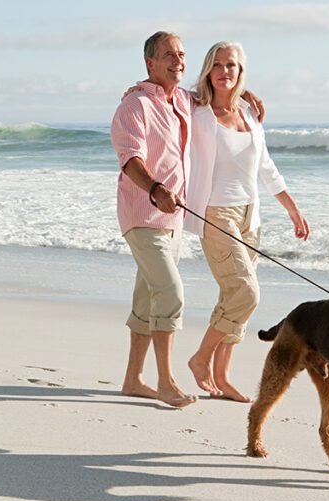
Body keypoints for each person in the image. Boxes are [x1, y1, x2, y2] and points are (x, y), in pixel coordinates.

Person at [185, 42, 310, 403]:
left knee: (232, 296)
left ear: (242, 72)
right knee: (247, 293)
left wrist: (291, 207)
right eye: (218, 65)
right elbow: (166, 93)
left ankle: (222, 378)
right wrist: (137, 88)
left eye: (233, 66)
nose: (225, 71)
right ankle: (200, 358)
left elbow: (265, 166)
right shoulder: (197, 111)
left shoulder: (250, 114)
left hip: (249, 214)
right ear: (208, 69)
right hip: (215, 211)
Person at [110, 31, 197, 408]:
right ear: (150, 62)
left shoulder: (182, 100)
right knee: (171, 294)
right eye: (168, 55)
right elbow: (130, 159)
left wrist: (245, 94)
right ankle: (166, 381)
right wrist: (156, 189)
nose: (178, 60)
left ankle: (132, 380)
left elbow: (215, 97)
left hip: (172, 222)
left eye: (181, 54)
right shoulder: (135, 105)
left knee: (147, 300)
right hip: (143, 214)